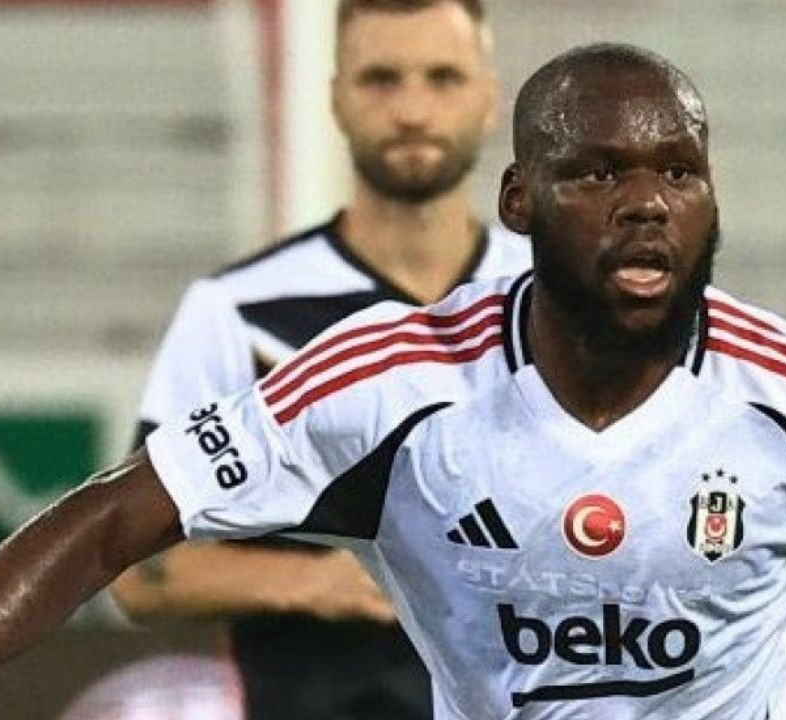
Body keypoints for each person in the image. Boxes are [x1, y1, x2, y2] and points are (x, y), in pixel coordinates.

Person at [0, 43, 786, 719]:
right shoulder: (392, 385)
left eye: (679, 170)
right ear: (519, 201)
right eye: (599, 172)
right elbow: (118, 517)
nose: (647, 202)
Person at [108, 1, 527, 718]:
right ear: (335, 98)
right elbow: (141, 570)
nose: (412, 110)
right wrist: (312, 583)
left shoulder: (556, 297)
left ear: (489, 97)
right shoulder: (241, 312)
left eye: (443, 77)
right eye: (381, 79)